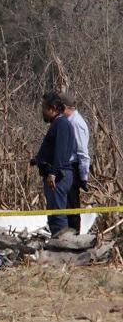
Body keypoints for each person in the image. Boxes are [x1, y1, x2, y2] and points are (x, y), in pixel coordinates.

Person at [33, 92, 77, 236]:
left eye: (44, 108)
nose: (42, 111)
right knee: (53, 214)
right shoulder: (57, 124)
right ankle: (56, 242)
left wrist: (53, 173)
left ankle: (63, 245)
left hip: (58, 177)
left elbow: (61, 151)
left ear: (52, 108)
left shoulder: (62, 124)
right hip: (55, 175)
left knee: (58, 215)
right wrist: (38, 159)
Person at [58, 92, 90, 233]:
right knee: (66, 206)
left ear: (64, 107)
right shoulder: (69, 121)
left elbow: (83, 153)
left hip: (74, 168)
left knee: (72, 206)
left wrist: (83, 177)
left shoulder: (76, 123)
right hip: (67, 168)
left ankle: (75, 236)